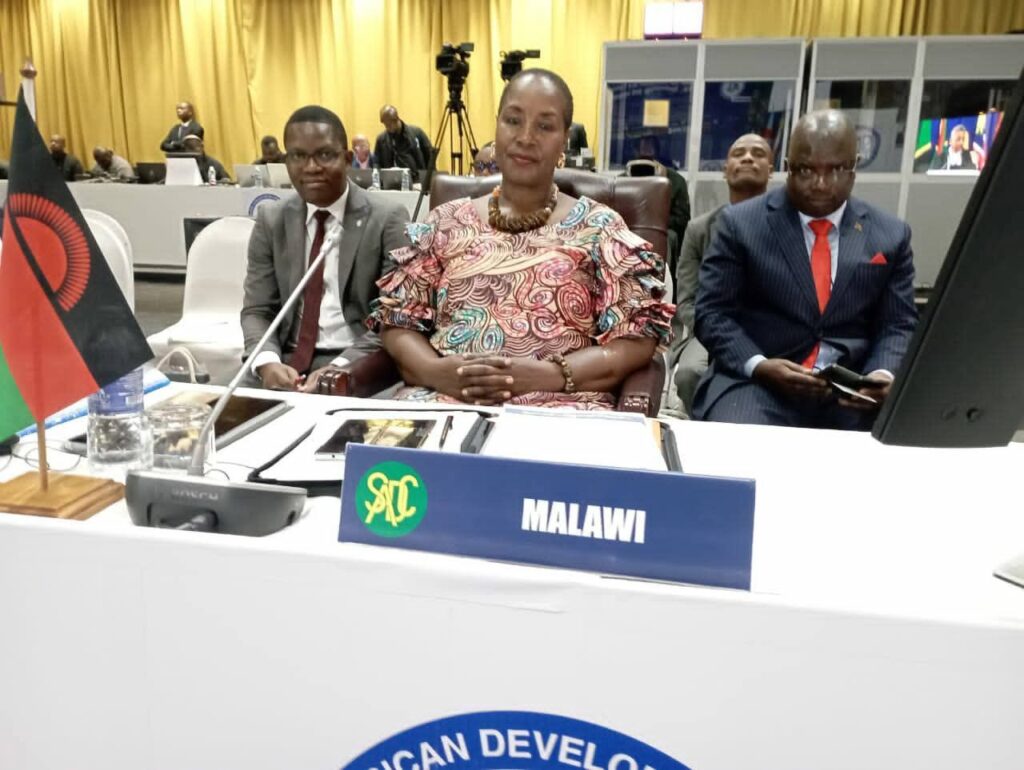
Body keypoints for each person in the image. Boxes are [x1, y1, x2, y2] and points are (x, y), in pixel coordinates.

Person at [368, 69, 674, 410]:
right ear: (497, 125)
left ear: (564, 139)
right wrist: (435, 372)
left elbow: (636, 339)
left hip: (560, 408)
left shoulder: (600, 228)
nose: (526, 137)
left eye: (544, 126)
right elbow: (398, 321)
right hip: (444, 403)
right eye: (513, 120)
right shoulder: (445, 222)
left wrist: (548, 375)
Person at [692, 109, 917, 430]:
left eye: (835, 169)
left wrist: (882, 374)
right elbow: (712, 313)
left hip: (851, 390)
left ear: (853, 168)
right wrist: (759, 365)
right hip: (757, 385)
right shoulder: (740, 225)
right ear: (787, 167)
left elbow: (898, 324)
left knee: (900, 446)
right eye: (806, 170)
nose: (820, 184)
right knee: (742, 446)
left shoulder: (890, 235)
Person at [241, 105, 411, 392]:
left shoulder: (388, 218)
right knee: (215, 414)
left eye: (324, 155)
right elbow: (257, 310)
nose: (311, 168)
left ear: (347, 159)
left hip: (359, 359)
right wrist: (267, 361)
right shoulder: (271, 220)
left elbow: (394, 315)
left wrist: (340, 369)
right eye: (298, 156)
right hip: (285, 357)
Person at [668, 134, 773, 414]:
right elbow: (686, 301)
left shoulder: (788, 228)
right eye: (739, 153)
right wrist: (721, 334)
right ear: (726, 170)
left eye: (758, 153)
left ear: (771, 170)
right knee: (689, 373)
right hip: (709, 331)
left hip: (770, 333)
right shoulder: (699, 230)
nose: (748, 158)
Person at [634, 134, 690, 279]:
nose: (646, 153)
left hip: (664, 229)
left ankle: (663, 280)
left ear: (657, 153)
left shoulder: (675, 181)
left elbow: (682, 220)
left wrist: (656, 221)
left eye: (650, 149)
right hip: (629, 228)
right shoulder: (625, 178)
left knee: (668, 238)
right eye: (643, 149)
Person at [374, 105, 433, 175]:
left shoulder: (417, 133)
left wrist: (428, 177)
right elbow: (377, 163)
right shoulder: (381, 139)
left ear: (396, 120)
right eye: (385, 125)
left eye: (389, 125)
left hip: (417, 179)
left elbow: (430, 156)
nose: (387, 128)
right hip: (391, 180)